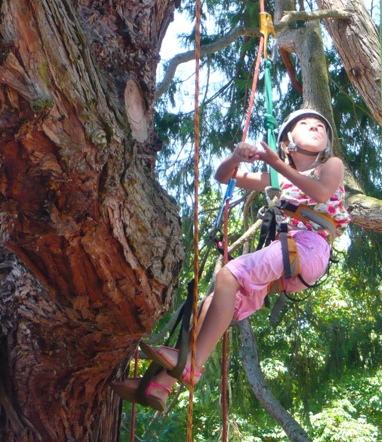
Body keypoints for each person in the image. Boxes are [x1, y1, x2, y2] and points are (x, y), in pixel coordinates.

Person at [110, 109, 351, 411]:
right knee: (213, 301)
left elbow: (321, 191)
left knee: (228, 275)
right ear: (288, 141)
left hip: (309, 247)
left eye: (320, 127)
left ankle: (192, 365)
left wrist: (275, 162)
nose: (315, 127)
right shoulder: (273, 176)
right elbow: (224, 176)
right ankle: (161, 386)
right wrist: (237, 156)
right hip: (290, 254)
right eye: (306, 124)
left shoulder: (330, 165)